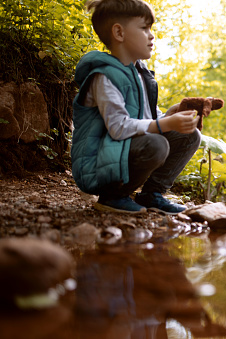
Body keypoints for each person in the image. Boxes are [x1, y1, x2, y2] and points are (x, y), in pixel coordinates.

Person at [71, 0, 201, 214]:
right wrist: (164, 124)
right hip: (97, 164)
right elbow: (118, 127)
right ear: (119, 33)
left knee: (190, 135)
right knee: (157, 143)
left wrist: (170, 115)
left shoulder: (141, 73)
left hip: (120, 152)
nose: (151, 35)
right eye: (144, 28)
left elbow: (147, 116)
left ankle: (152, 194)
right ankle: (113, 196)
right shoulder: (104, 77)